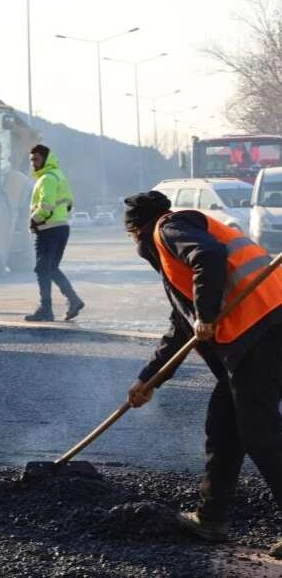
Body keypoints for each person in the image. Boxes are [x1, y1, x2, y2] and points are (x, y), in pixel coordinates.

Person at [123, 190, 282, 557]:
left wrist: (207, 315)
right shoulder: (176, 251)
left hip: (261, 333)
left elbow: (208, 258)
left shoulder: (168, 229)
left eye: (131, 236)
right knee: (224, 428)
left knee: (261, 434)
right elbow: (182, 326)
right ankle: (212, 519)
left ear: (137, 231)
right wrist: (148, 380)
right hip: (254, 337)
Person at [25, 144, 85, 322]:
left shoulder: (46, 179)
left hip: (48, 229)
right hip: (61, 228)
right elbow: (68, 203)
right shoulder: (59, 176)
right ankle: (73, 300)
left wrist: (34, 220)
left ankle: (46, 309)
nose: (33, 164)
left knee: (42, 269)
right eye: (31, 160)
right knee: (50, 268)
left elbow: (46, 205)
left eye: (36, 159)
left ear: (45, 159)